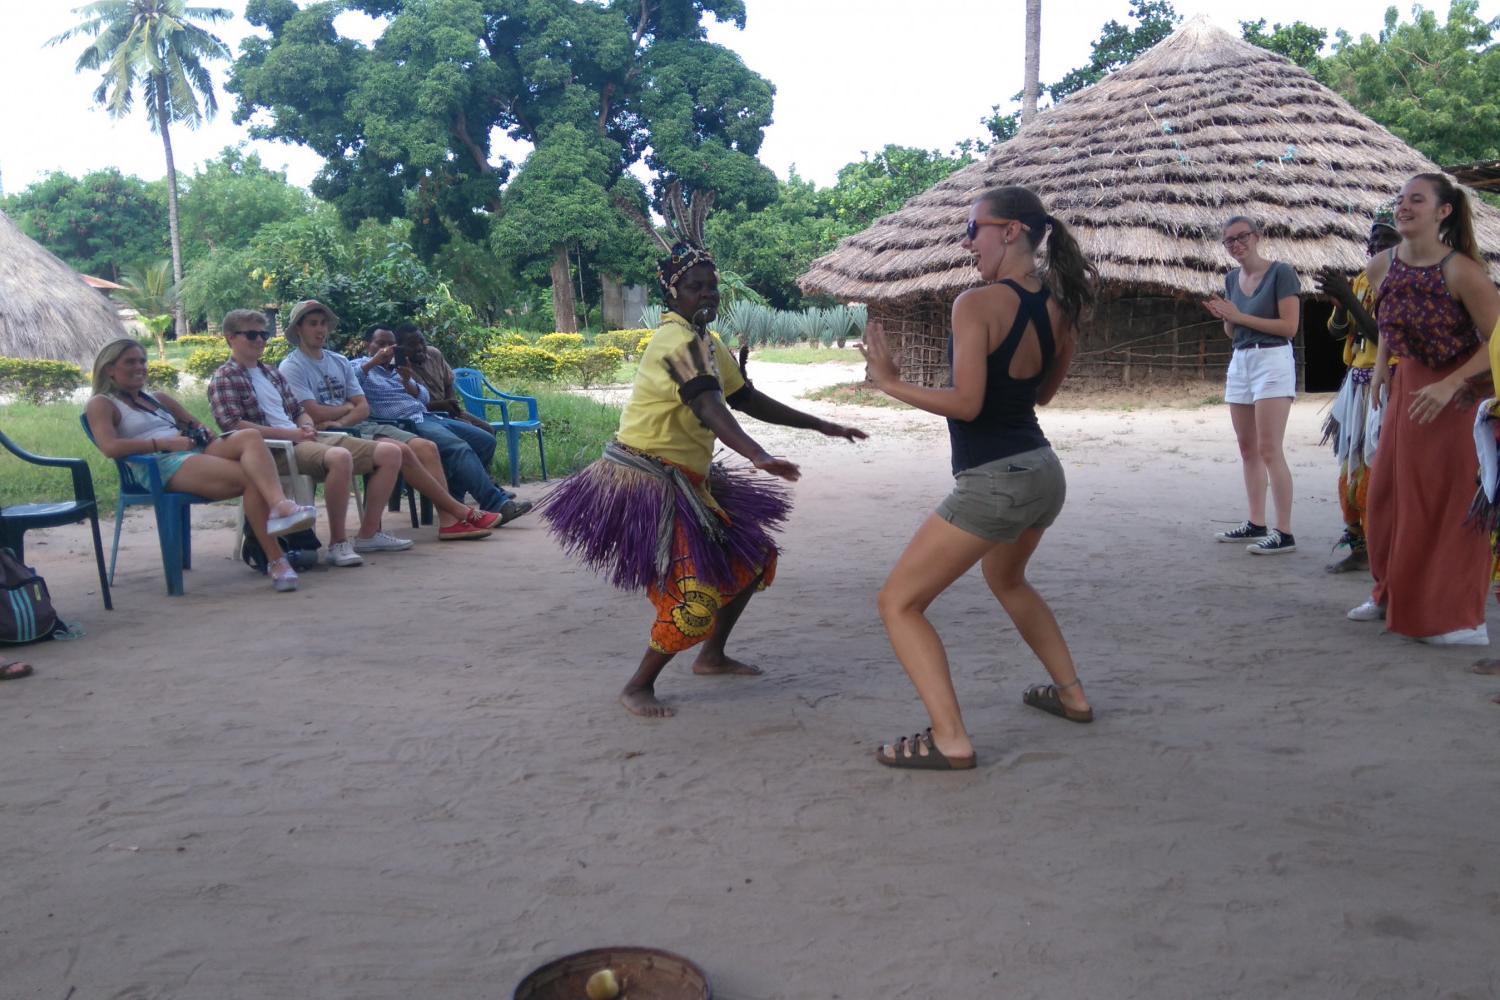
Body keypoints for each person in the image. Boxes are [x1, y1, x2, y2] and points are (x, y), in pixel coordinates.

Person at [543, 235, 867, 718]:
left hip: (688, 482)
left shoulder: (705, 340)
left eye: (712, 287)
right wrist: (757, 455)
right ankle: (639, 685)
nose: (708, 295)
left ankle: (711, 656)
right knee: (692, 599)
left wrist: (822, 423)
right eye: (696, 287)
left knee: (754, 558)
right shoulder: (675, 341)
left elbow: (744, 399)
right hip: (648, 482)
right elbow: (707, 403)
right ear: (672, 293)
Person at [858, 186, 1097, 770]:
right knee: (1008, 579)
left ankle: (950, 740)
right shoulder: (1059, 306)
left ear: (1010, 231)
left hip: (997, 481)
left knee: (899, 603)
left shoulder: (977, 304)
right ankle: (1073, 696)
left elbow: (967, 404)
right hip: (1043, 473)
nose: (967, 242)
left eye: (974, 228)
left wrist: (888, 382)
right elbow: (1039, 393)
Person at [1349, 173, 1500, 644]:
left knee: (1447, 502)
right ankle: (1389, 591)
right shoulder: (1380, 266)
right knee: (1388, 497)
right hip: (1407, 386)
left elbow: (1497, 340)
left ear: (1443, 211)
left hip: (1460, 393)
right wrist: (1380, 372)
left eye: (1417, 199)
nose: (1404, 206)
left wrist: (1451, 382)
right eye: (1400, 199)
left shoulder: (1462, 271)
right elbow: (1389, 323)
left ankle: (1458, 617)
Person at [85, 338, 318, 592]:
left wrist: (199, 430)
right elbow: (110, 447)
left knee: (251, 437)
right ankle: (277, 558)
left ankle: (279, 507)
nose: (139, 367)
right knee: (252, 478)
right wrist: (162, 443)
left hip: (193, 449)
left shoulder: (158, 398)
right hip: (160, 462)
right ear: (109, 368)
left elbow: (198, 425)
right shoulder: (102, 403)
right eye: (130, 361)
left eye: (142, 361)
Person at [207, 309, 415, 568]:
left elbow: (297, 410)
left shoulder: (271, 373)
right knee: (339, 457)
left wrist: (305, 425)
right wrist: (293, 434)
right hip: (271, 452)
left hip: (302, 439)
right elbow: (233, 426)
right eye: (251, 335)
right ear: (230, 338)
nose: (260, 340)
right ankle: (338, 543)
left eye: (264, 335)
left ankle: (368, 534)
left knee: (390, 452)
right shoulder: (225, 377)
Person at [276, 300, 500, 540]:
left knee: (427, 447)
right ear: (298, 329)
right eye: (312, 324)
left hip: (360, 425)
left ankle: (449, 520)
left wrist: (344, 418)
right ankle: (463, 510)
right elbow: (314, 412)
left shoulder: (338, 361)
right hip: (328, 433)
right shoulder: (293, 366)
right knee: (402, 450)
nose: (320, 330)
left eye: (323, 324)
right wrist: (348, 407)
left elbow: (362, 407)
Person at [355, 326, 532, 524]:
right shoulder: (358, 366)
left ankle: (455, 499)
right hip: (405, 424)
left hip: (427, 416)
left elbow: (423, 397)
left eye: (391, 344)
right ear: (367, 345)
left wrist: (407, 379)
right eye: (381, 344)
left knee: (485, 440)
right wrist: (372, 363)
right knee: (458, 447)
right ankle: (495, 502)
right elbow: (351, 382)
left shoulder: (398, 370)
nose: (386, 349)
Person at [1205, 215, 1302, 554]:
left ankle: (1284, 531)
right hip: (1241, 358)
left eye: (1241, 236)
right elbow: (1233, 331)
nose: (1236, 244)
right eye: (1229, 240)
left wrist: (1239, 316)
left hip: (1272, 359)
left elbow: (1289, 327)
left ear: (1257, 236)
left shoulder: (1281, 273)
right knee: (1247, 449)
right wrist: (1226, 317)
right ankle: (1255, 522)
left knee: (1270, 449)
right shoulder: (1231, 278)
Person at [1316, 211, 1401, 573]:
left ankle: (1384, 550)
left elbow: (1384, 337)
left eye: (1385, 242)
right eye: (1372, 243)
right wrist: (1340, 305)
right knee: (1349, 467)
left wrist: (1348, 299)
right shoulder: (1362, 281)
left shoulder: (1400, 283)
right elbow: (1339, 332)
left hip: (1389, 381)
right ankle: (1359, 545)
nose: (1376, 249)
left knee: (1374, 468)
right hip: (1357, 383)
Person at [392, 322, 495, 432]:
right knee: (472, 432)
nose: (419, 347)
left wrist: (451, 401)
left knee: (487, 429)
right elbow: (409, 409)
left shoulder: (434, 354)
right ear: (399, 348)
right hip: (425, 418)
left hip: (448, 410)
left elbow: (448, 383)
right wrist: (440, 406)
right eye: (412, 344)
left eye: (422, 342)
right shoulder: (397, 370)